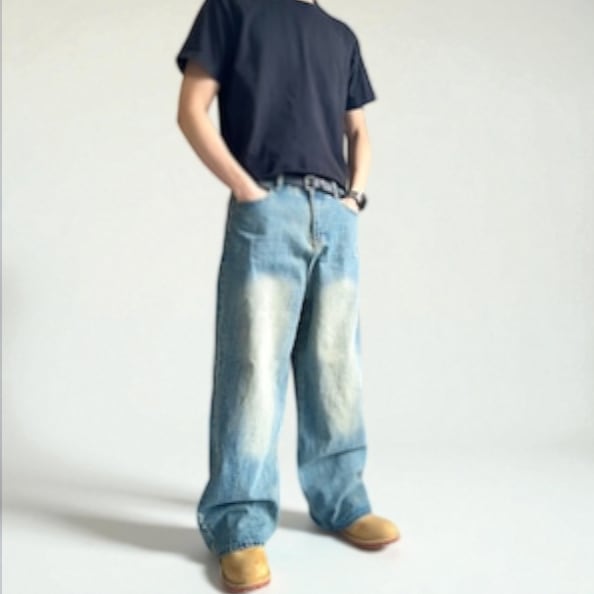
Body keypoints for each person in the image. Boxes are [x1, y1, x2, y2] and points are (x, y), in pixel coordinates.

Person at [175, 0, 400, 590]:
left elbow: (358, 130)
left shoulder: (339, 35)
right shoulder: (232, 9)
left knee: (336, 365)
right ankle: (239, 525)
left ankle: (342, 502)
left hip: (335, 214)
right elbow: (192, 109)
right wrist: (246, 189)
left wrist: (353, 200)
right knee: (253, 367)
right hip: (267, 206)